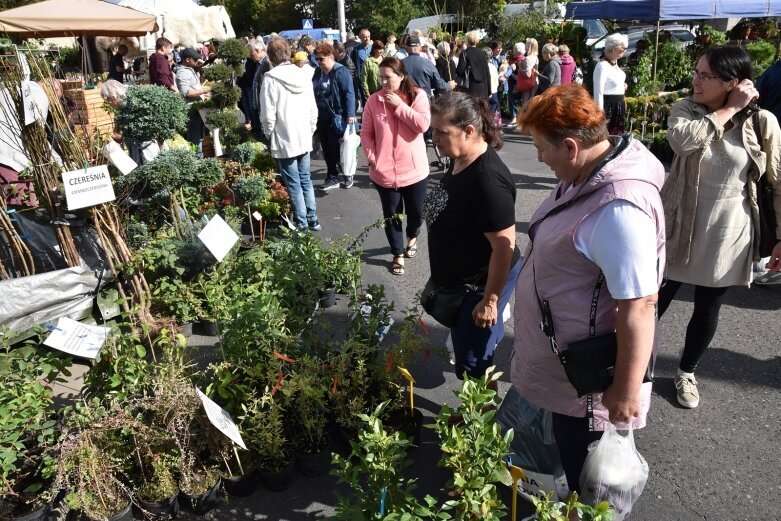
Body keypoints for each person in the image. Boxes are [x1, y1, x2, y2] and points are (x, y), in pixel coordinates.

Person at [514, 84, 665, 493]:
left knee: (592, 479)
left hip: (588, 381)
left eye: (541, 148)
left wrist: (625, 391)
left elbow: (640, 304)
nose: (539, 158)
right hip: (566, 366)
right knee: (574, 459)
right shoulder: (585, 176)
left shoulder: (618, 209)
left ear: (570, 146)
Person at [658, 46, 781, 408]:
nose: (695, 80)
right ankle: (632, 365)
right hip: (680, 222)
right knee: (654, 300)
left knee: (708, 305)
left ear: (732, 81)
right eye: (696, 72)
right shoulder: (685, 110)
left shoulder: (762, 122)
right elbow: (683, 143)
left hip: (729, 227)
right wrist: (729, 109)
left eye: (705, 75)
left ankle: (686, 372)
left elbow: (778, 180)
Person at [424, 91, 521, 380]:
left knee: (474, 363)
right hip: (461, 279)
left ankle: (481, 419)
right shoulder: (459, 158)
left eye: (441, 132)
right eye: (433, 131)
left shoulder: (487, 182)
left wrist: (490, 300)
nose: (434, 138)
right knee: (473, 345)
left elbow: (504, 247)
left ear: (468, 131)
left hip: (479, 284)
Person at [361, 58, 430, 276]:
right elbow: (366, 134)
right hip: (384, 173)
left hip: (415, 171)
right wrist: (372, 158)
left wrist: (400, 107)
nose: (383, 82)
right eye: (381, 77)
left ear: (401, 77)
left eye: (388, 77)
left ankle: (413, 236)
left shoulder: (417, 96)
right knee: (392, 216)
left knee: (416, 213)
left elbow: (422, 125)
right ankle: (397, 253)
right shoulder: (373, 101)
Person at [260, 37, 321, 232]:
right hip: (303, 133)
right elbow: (313, 108)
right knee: (305, 179)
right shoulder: (303, 74)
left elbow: (267, 114)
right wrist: (310, 129)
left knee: (293, 182)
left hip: (284, 136)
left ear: (270, 56)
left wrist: (269, 135)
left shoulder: (270, 78)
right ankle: (312, 219)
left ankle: (302, 223)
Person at [312, 43, 356, 191]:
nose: (319, 62)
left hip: (337, 116)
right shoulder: (318, 72)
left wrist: (350, 114)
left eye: (321, 59)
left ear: (331, 56)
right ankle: (332, 177)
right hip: (321, 117)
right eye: (317, 59)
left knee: (337, 148)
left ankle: (347, 173)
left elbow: (349, 93)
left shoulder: (340, 71)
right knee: (326, 148)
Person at [593, 33, 628, 135]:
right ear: (614, 49)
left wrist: (621, 86)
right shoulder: (601, 66)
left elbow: (613, 81)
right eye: (623, 48)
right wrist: (599, 114)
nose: (625, 50)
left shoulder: (613, 63)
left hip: (619, 106)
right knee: (608, 137)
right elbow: (598, 92)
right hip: (608, 107)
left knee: (617, 137)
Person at [176, 48, 211, 148]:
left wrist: (203, 95)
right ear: (187, 60)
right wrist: (203, 91)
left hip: (197, 109)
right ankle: (197, 159)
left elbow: (193, 87)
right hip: (191, 110)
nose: (197, 62)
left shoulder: (189, 70)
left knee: (199, 136)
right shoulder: (183, 72)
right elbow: (186, 92)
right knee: (195, 139)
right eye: (195, 60)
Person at [402, 35, 453, 100]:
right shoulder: (427, 64)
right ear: (420, 47)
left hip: (404, 103)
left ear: (406, 48)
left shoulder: (399, 64)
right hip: (424, 103)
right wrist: (450, 85)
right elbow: (440, 86)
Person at [455, 31, 491, 99]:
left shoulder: (464, 54)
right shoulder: (482, 54)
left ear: (467, 40)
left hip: (470, 88)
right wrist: (489, 91)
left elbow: (460, 71)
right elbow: (487, 72)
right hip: (483, 88)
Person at [247, 39, 271, 142]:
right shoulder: (260, 63)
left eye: (251, 54)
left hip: (267, 103)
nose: (251, 57)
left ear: (257, 50)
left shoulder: (267, 62)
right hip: (261, 103)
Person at [505, 42, 525, 129]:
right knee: (520, 101)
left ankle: (514, 119)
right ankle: (520, 119)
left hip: (513, 83)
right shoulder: (525, 59)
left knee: (512, 100)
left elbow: (515, 74)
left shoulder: (515, 61)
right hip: (523, 84)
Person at [350, 28, 373, 105]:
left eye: (368, 36)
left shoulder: (373, 49)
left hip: (373, 78)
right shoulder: (356, 50)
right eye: (365, 37)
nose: (367, 39)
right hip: (362, 78)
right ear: (360, 38)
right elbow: (352, 63)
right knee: (365, 100)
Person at [516, 38, 539, 110]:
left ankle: (524, 120)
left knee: (525, 105)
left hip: (527, 85)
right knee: (531, 104)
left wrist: (520, 68)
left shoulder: (528, 58)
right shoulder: (536, 57)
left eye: (526, 44)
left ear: (529, 46)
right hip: (534, 83)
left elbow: (528, 74)